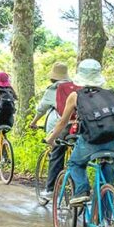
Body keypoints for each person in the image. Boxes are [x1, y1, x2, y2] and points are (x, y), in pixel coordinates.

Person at [45, 58, 114, 206]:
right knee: (105, 187)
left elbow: (62, 122)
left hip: (92, 140)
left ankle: (81, 191)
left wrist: (51, 139)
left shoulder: (75, 96)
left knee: (74, 163)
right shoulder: (111, 93)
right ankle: (106, 223)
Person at [29, 62, 73, 199]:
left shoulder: (52, 89)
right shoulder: (76, 88)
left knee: (56, 153)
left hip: (59, 126)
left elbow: (41, 109)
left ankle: (50, 189)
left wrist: (34, 122)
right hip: (77, 126)